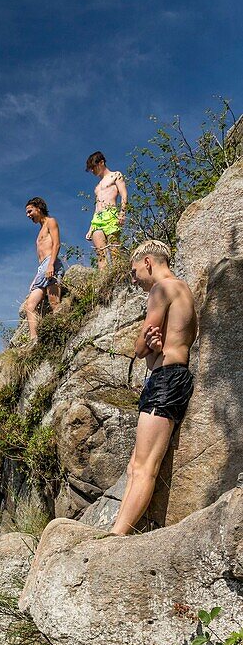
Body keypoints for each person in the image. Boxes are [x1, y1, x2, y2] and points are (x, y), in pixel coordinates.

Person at [111, 239, 197, 536]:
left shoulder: (161, 289)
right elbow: (165, 345)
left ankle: (116, 536)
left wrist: (145, 345)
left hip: (166, 380)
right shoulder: (183, 289)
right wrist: (153, 346)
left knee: (144, 466)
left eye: (135, 272)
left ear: (148, 262)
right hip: (169, 377)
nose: (134, 280)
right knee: (135, 464)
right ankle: (116, 529)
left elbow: (139, 347)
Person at [23, 198, 64, 342]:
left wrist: (51, 264)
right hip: (42, 269)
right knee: (30, 306)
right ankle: (34, 339)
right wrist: (36, 278)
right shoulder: (40, 230)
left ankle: (62, 332)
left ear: (38, 208)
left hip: (51, 264)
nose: (28, 215)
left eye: (30, 211)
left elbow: (57, 244)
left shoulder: (50, 222)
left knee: (54, 303)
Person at [85, 151, 128, 269]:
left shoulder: (116, 175)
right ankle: (103, 282)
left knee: (114, 250)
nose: (92, 171)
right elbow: (97, 206)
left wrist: (122, 213)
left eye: (93, 167)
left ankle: (118, 276)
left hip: (111, 214)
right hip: (97, 219)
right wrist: (90, 227)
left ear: (101, 162)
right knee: (100, 253)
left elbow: (124, 195)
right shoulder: (97, 187)